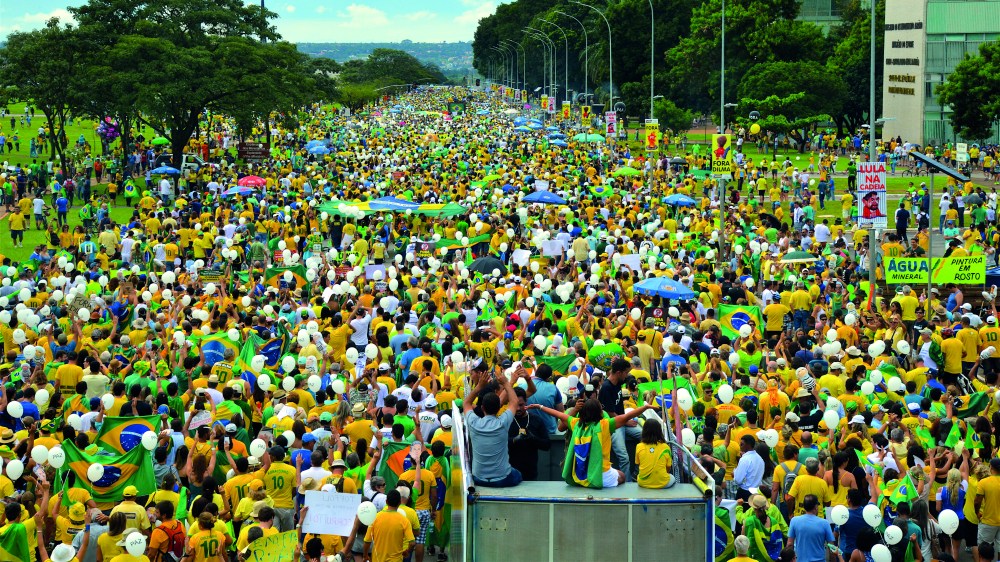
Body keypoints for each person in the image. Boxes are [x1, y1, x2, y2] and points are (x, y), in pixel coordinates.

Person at [528, 399, 655, 488]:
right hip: (600, 477)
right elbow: (627, 417)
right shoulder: (605, 425)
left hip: (580, 476)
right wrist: (644, 407)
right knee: (621, 476)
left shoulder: (576, 423)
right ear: (599, 412)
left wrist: (540, 407)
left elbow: (559, 414)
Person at [462, 363, 521, 487]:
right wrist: (506, 383)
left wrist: (479, 386)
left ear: (482, 407)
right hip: (502, 479)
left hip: (478, 478)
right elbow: (515, 402)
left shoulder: (473, 422)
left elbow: (466, 403)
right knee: (519, 474)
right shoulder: (503, 423)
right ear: (499, 407)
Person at [363, 490, 414, 562]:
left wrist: (365, 556)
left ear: (386, 502)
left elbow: (367, 541)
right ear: (399, 503)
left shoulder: (375, 518)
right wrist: (407, 551)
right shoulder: (404, 520)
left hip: (378, 559)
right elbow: (412, 543)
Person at [787, 495, 835, 562]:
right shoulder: (825, 523)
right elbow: (831, 547)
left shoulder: (794, 521)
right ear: (815, 507)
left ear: (804, 507)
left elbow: (790, 544)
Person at [636, 421, 673, 489]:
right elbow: (668, 467)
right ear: (659, 432)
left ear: (644, 431)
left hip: (643, 483)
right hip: (662, 483)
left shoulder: (639, 446)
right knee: (672, 477)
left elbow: (639, 464)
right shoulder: (666, 447)